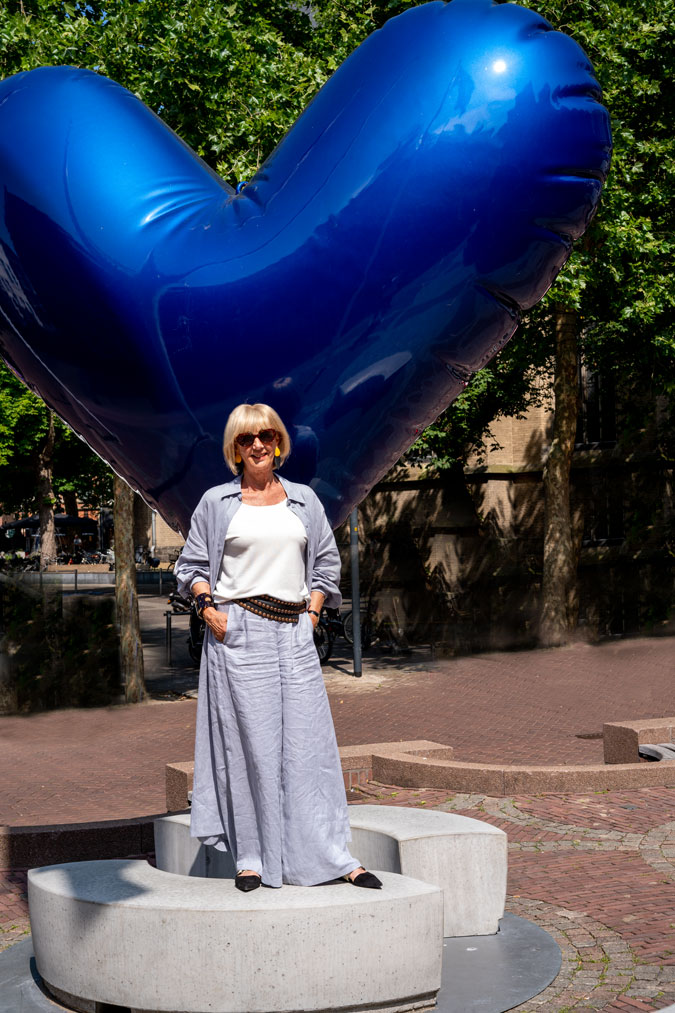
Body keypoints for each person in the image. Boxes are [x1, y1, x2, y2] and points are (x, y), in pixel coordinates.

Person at [174, 403, 382, 893]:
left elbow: (325, 565)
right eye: (247, 439)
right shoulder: (217, 502)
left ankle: (332, 855)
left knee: (309, 748)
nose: (258, 445)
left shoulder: (304, 500)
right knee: (249, 749)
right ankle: (252, 858)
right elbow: (191, 566)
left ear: (279, 441)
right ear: (235, 448)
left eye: (266, 435)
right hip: (237, 632)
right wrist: (208, 609)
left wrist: (311, 614)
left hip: (293, 631)